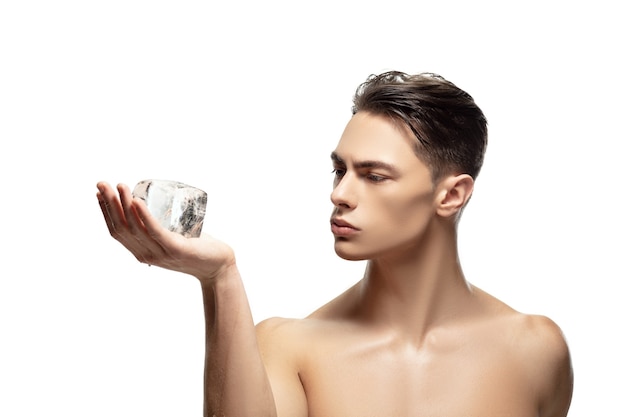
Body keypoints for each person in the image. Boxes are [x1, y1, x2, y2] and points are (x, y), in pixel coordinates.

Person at [96, 71, 574, 417]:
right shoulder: (289, 348)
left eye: (373, 175)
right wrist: (219, 278)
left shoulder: (537, 350)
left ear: (450, 195)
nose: (340, 194)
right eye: (340, 170)